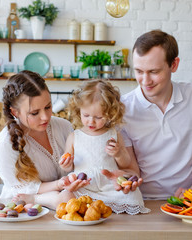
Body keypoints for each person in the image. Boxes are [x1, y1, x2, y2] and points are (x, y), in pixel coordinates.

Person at [121, 30, 192, 200]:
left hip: (190, 201)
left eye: (153, 72)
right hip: (140, 202)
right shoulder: (123, 108)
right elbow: (130, 167)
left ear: (174, 65)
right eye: (139, 71)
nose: (145, 81)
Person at [0, 70, 89, 209]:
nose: (45, 117)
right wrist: (59, 184)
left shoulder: (64, 127)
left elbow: (80, 165)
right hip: (22, 211)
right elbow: (24, 190)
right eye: (34, 113)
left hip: (65, 209)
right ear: (15, 112)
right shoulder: (5, 144)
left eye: (48, 107)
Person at [59, 80, 150, 214]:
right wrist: (66, 164)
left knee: (134, 195)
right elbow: (67, 167)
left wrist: (118, 153)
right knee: (66, 195)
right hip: (84, 184)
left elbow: (125, 162)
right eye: (86, 115)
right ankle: (88, 207)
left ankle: (102, 207)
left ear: (110, 114)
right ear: (78, 111)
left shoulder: (114, 134)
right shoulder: (74, 136)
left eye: (98, 117)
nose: (91, 121)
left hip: (109, 184)